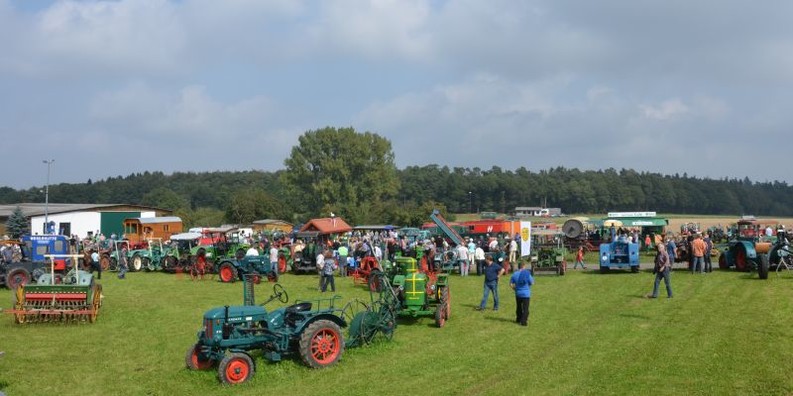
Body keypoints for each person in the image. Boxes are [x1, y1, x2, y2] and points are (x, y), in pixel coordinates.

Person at [510, 261, 534, 326]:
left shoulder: (515, 274)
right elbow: (531, 282)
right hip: (526, 294)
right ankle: (523, 321)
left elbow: (511, 284)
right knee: (525, 308)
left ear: (518, 266)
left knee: (518, 307)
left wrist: (514, 289)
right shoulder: (527, 274)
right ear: (524, 266)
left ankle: (518, 319)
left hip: (518, 293)